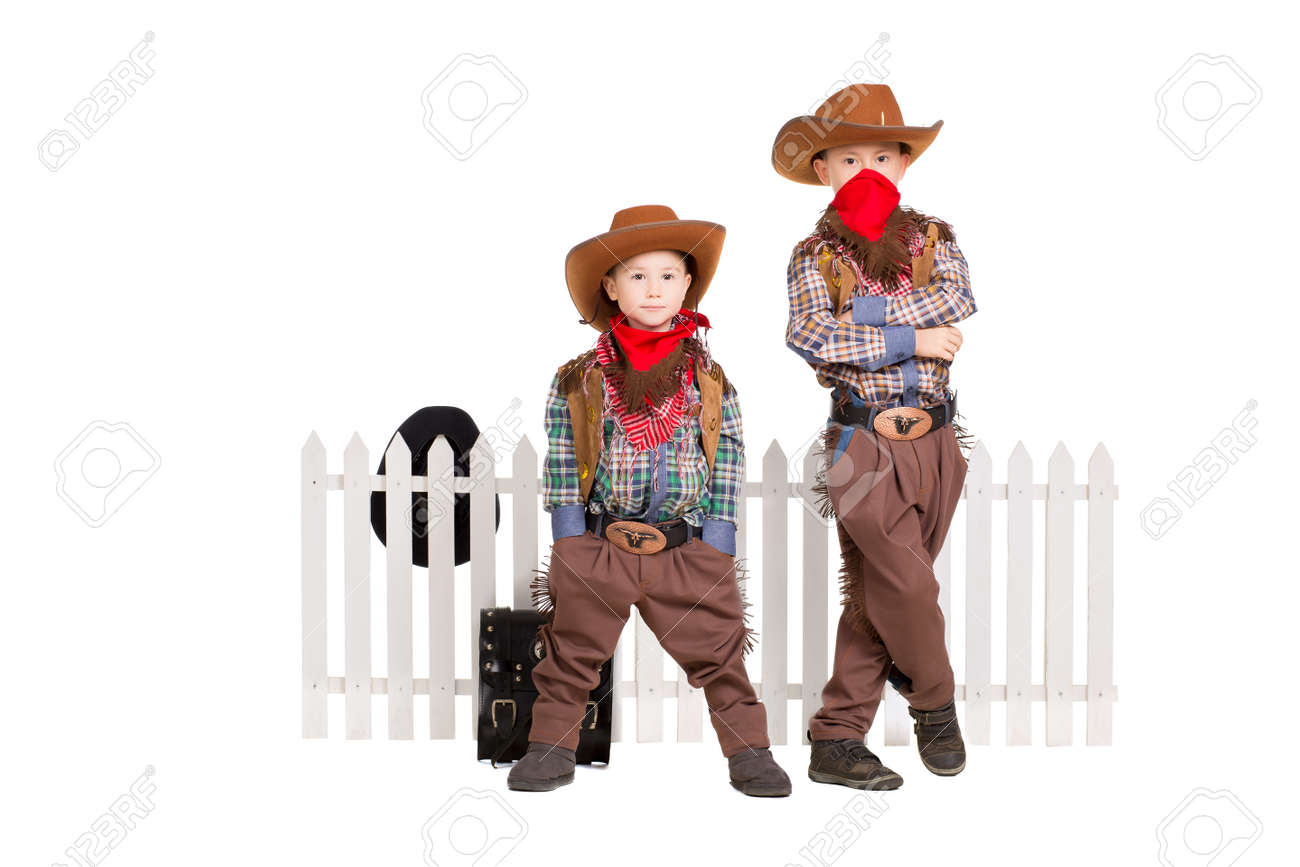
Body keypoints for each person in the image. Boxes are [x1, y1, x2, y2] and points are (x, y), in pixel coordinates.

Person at [506, 204, 791, 797]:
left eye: (667, 275)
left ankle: (750, 754)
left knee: (720, 654)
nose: (654, 289)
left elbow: (728, 454)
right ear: (611, 287)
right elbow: (563, 456)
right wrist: (570, 538)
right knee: (571, 653)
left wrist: (718, 541)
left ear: (687, 285)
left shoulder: (708, 377)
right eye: (637, 276)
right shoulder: (581, 377)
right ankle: (549, 748)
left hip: (685, 547)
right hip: (601, 543)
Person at [771, 82, 977, 789]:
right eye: (849, 159)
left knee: (880, 591)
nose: (867, 170)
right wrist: (913, 336)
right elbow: (812, 335)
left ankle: (836, 738)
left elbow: (958, 298)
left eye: (882, 157)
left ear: (904, 164)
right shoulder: (813, 255)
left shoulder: (935, 237)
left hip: (937, 439)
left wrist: (860, 316)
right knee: (908, 584)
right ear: (823, 169)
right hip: (862, 442)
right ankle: (935, 702)